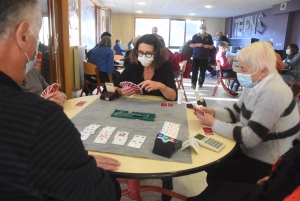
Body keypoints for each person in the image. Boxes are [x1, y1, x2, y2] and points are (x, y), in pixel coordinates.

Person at [0, 0, 121, 200]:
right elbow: (102, 195)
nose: (37, 48)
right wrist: (80, 165)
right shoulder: (39, 119)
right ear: (23, 35)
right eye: (37, 36)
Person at [194, 42, 299, 185]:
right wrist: (213, 112)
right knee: (211, 164)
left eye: (244, 69)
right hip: (254, 149)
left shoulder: (274, 93)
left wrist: (213, 123)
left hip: (269, 160)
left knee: (215, 173)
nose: (239, 73)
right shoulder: (257, 83)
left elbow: (250, 138)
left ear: (262, 70)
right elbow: (235, 112)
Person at [188, 140, 300, 201]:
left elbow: (249, 136)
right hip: (273, 182)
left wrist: (214, 123)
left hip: (265, 162)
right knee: (216, 184)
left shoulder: (273, 99)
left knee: (216, 178)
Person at [114, 34, 177, 101]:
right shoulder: (133, 65)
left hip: (158, 107)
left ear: (157, 53)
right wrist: (120, 91)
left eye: (148, 53)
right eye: (140, 52)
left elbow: (173, 97)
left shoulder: (165, 66)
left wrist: (161, 87)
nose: (143, 56)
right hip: (136, 106)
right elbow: (113, 86)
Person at [190, 24, 214, 88]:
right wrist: (197, 44)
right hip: (196, 56)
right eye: (201, 28)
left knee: (203, 71)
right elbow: (191, 45)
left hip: (205, 57)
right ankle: (193, 83)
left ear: (206, 29)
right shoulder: (195, 36)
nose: (202, 29)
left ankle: (201, 83)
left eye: (203, 28)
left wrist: (208, 46)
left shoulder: (209, 36)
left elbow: (212, 46)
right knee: (194, 70)